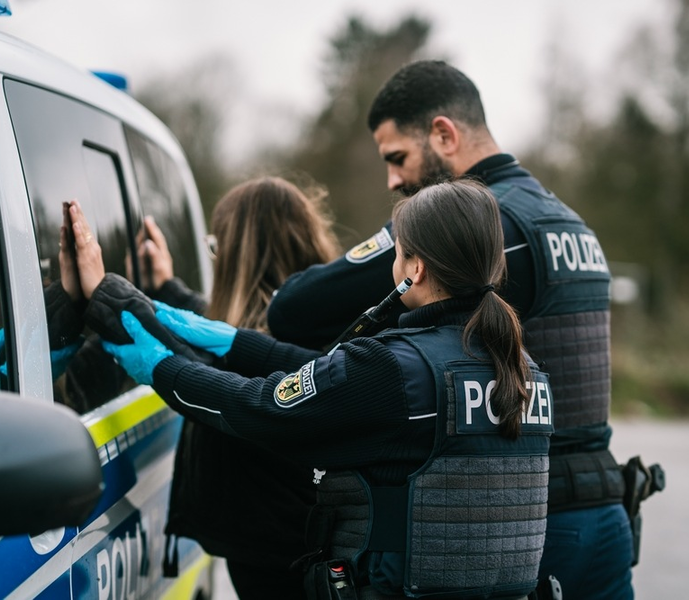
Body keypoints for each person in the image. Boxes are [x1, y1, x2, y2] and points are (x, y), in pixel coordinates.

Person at [266, 60, 632, 598]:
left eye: (398, 158)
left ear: (443, 134)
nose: (394, 180)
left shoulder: (476, 228)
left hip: (532, 529)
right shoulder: (569, 221)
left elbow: (295, 309)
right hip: (606, 515)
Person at [96, 179, 554, 599]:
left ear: (414, 267)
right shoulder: (522, 368)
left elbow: (257, 407)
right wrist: (234, 340)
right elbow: (328, 374)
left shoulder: (396, 367)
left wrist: (161, 367)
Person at [114, 177, 341, 598]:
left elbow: (221, 367)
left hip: (272, 552)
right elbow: (228, 333)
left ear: (239, 257)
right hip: (296, 541)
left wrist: (106, 302)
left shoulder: (269, 340)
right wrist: (167, 287)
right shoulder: (325, 328)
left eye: (217, 248)